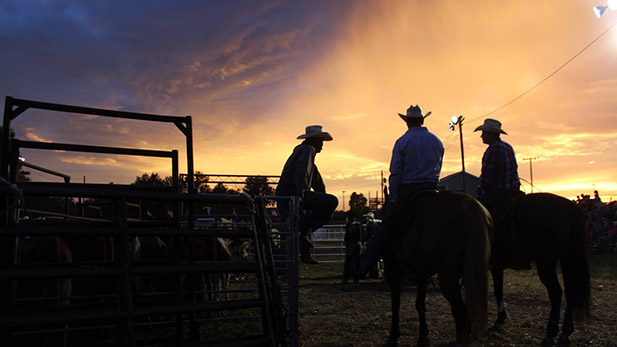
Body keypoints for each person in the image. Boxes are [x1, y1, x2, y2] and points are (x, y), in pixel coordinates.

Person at [359, 104, 444, 275]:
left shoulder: (402, 142)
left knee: (387, 225)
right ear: (422, 120)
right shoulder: (436, 141)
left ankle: (365, 266)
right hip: (432, 188)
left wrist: (393, 198)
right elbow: (438, 166)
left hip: (409, 189)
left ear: (407, 122)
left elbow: (396, 172)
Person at [276, 125, 338, 264]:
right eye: (321, 140)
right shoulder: (308, 150)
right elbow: (302, 174)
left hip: (287, 194)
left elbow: (318, 184)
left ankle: (301, 238)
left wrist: (315, 198)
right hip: (292, 193)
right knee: (331, 202)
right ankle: (301, 232)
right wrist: (303, 195)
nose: (322, 144)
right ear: (315, 140)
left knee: (313, 216)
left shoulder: (303, 153)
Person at [473, 119, 522, 216]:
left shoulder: (493, 150)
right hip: (514, 190)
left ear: (491, 134)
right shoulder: (508, 147)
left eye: (484, 133)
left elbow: (487, 176)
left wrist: (482, 187)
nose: (481, 136)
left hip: (499, 192)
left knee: (474, 210)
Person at [343, 211, 363, 283]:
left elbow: (347, 235)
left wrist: (347, 242)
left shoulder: (349, 225)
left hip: (351, 244)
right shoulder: (359, 224)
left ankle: (346, 277)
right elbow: (361, 235)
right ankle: (356, 277)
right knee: (357, 260)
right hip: (358, 243)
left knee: (348, 260)